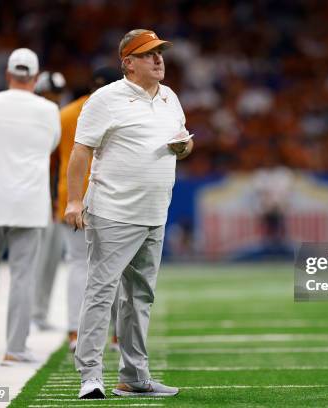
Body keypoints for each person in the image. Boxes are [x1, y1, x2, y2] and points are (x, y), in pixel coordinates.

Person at [65, 29, 193, 399]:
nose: (158, 60)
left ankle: (134, 377)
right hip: (112, 213)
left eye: (160, 53)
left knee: (140, 297)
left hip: (154, 213)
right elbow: (80, 152)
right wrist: (74, 202)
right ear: (128, 63)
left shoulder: (170, 97)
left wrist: (184, 147)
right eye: (149, 54)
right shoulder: (106, 99)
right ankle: (90, 375)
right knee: (101, 294)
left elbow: (184, 140)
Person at [0, 48, 60, 366]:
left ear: (8, 74)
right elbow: (51, 146)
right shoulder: (48, 110)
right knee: (23, 277)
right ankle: (14, 349)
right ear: (35, 78)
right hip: (28, 202)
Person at [56, 66, 121, 351]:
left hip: (70, 196)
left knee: (77, 264)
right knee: (117, 267)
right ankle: (119, 335)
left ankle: (74, 331)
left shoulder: (67, 113)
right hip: (111, 196)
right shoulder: (120, 110)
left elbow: (50, 161)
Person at [31, 71, 67, 331]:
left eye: (56, 96)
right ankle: (31, 313)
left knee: (51, 258)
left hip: (51, 197)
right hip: (32, 196)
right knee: (34, 259)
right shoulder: (30, 119)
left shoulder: (59, 118)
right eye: (49, 95)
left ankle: (39, 313)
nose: (53, 100)